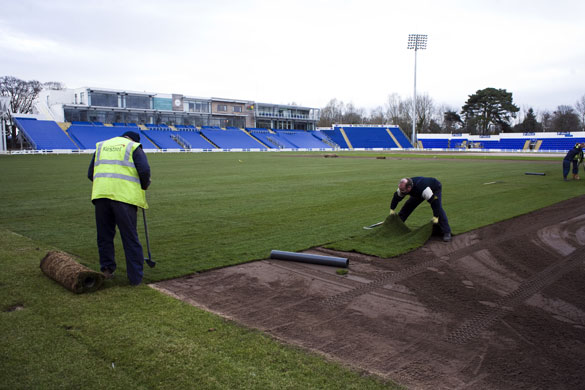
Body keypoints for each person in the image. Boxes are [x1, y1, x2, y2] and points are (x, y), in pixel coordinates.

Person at [87, 131, 151, 285]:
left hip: (101, 196)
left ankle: (107, 270)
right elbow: (144, 170)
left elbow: (91, 174)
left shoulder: (101, 146)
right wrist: (144, 184)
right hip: (123, 198)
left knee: (104, 235)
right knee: (130, 237)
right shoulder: (134, 147)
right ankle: (135, 277)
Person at [390, 177, 452, 242]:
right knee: (408, 205)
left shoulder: (424, 190)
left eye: (403, 191)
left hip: (434, 187)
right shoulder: (402, 188)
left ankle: (447, 232)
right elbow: (396, 198)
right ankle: (397, 225)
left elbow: (435, 203)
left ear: (409, 188)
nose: (401, 192)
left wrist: (436, 216)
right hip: (417, 192)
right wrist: (392, 209)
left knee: (438, 208)